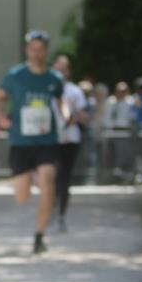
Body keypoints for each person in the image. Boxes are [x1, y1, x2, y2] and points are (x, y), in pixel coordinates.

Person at [0, 30, 65, 254]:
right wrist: (0, 116)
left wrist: (67, 116)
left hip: (47, 141)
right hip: (21, 142)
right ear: (27, 50)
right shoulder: (15, 76)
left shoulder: (54, 79)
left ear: (46, 51)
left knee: (48, 180)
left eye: (41, 49)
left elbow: (62, 103)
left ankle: (39, 235)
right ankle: (32, 179)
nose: (37, 53)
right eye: (33, 49)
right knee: (21, 196)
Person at [54, 55, 88, 232]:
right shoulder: (47, 88)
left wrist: (74, 113)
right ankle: (50, 211)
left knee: (64, 179)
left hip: (69, 140)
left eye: (63, 69)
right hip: (50, 139)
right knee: (50, 177)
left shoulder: (75, 91)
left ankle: (61, 215)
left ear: (68, 72)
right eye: (56, 68)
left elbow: (85, 118)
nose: (59, 72)